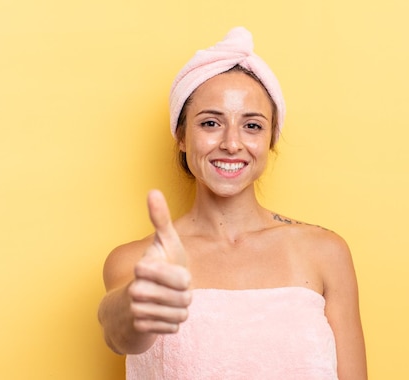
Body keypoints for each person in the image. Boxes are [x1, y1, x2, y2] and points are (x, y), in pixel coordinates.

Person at [98, 27, 367, 380]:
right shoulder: (137, 260)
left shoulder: (325, 253)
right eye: (211, 122)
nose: (231, 143)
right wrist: (140, 301)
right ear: (181, 136)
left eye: (252, 126)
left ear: (270, 140)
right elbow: (118, 331)